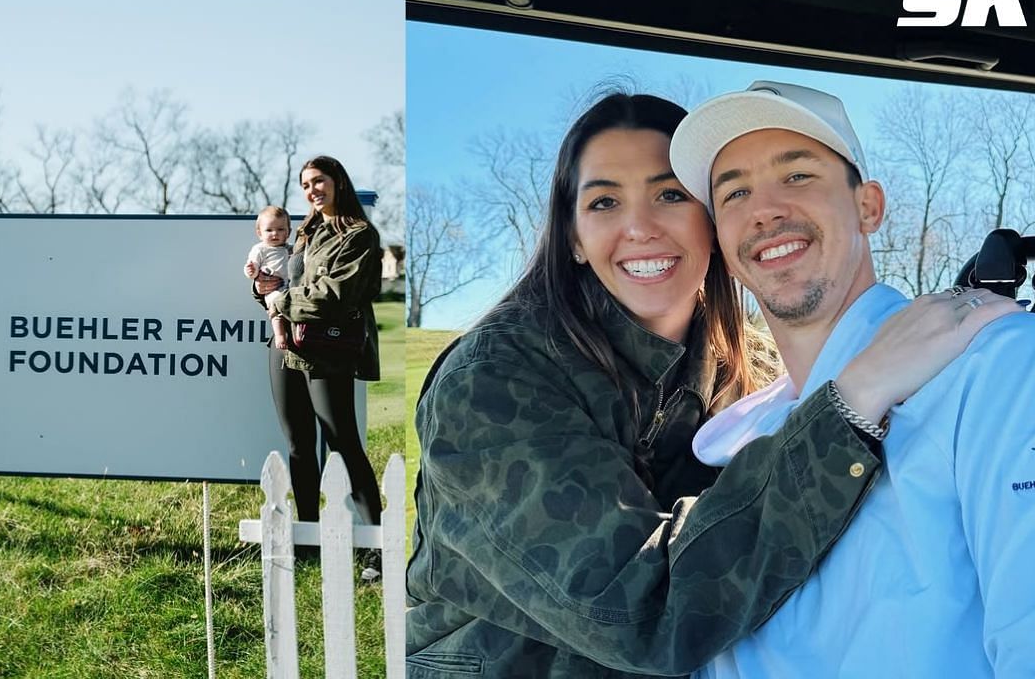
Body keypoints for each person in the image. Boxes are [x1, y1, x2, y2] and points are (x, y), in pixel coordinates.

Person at [405, 93, 1014, 678]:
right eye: (603, 203)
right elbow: (640, 609)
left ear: (711, 230)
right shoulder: (493, 378)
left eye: (670, 195)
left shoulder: (754, 371)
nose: (641, 227)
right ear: (572, 239)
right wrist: (852, 400)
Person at [669, 80, 1035, 678]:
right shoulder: (728, 446)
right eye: (734, 192)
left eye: (798, 175)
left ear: (868, 206)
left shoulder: (995, 365)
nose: (764, 209)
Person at [252, 156, 384, 577]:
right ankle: (307, 537)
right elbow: (282, 284)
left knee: (342, 442)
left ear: (338, 182)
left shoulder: (360, 235)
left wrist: (281, 301)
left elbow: (336, 294)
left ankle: (376, 545)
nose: (312, 190)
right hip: (284, 345)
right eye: (306, 184)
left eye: (319, 181)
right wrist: (264, 289)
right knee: (297, 445)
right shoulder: (305, 232)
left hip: (327, 349)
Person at [243, 206, 292, 350]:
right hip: (273, 289)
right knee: (277, 306)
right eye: (269, 230)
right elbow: (253, 269)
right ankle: (279, 335)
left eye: (281, 229)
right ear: (259, 233)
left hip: (289, 288)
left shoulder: (293, 249)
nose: (275, 234)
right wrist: (251, 271)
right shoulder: (260, 249)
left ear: (288, 232)